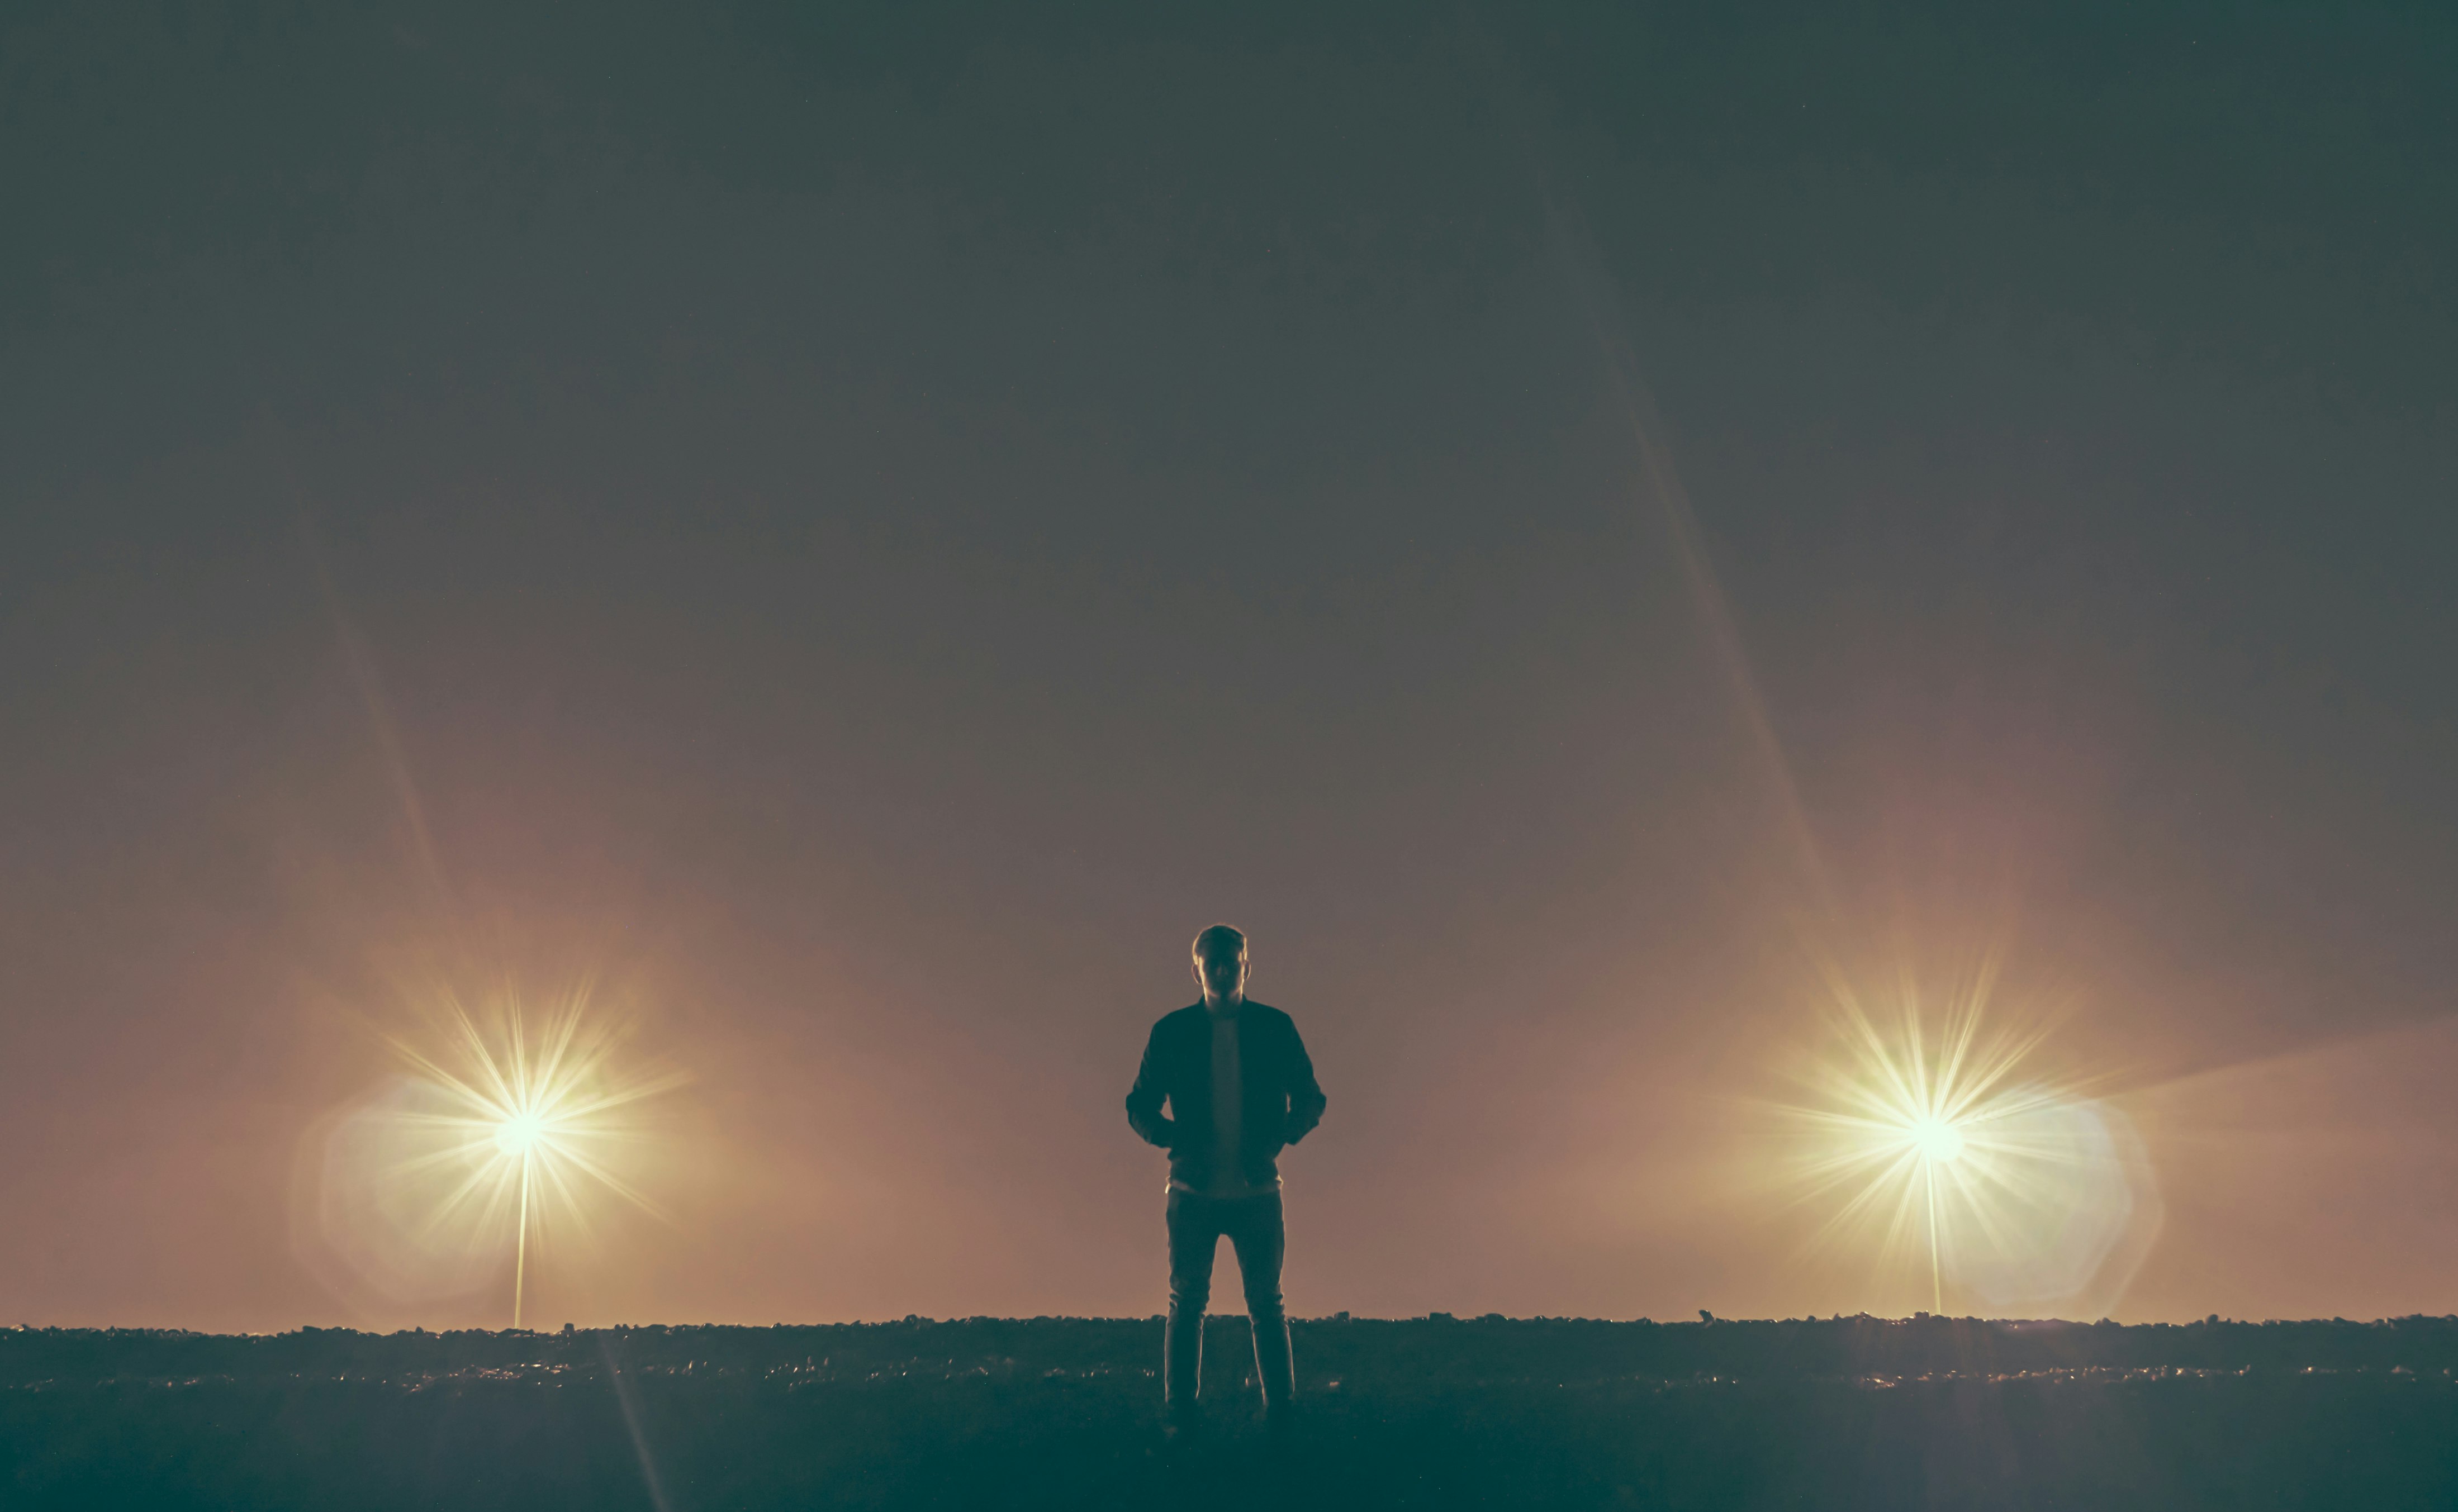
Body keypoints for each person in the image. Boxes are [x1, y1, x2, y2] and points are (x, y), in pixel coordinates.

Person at [1125, 924, 1327, 1433]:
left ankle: (1276, 1415)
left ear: (1246, 966)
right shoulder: (1170, 1032)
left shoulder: (1275, 1027)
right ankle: (1183, 1416)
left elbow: (1311, 1098)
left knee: (1260, 1302)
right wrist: (1173, 1139)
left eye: (1230, 960)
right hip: (1194, 1191)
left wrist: (1278, 1139)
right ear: (1197, 968)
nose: (1221, 968)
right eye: (1212, 961)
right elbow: (1138, 1106)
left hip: (1254, 1189)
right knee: (1191, 1302)